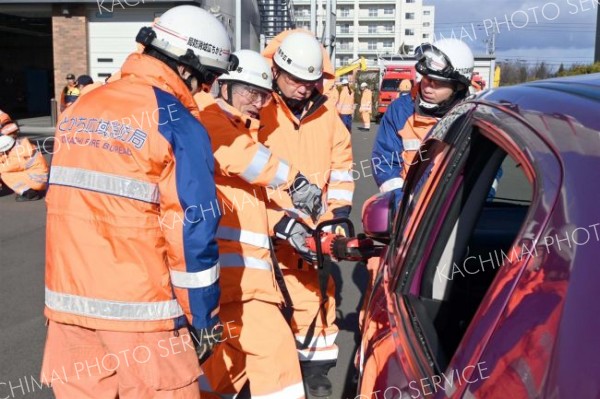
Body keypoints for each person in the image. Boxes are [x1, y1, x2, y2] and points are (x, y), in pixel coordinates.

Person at [41, 6, 239, 398]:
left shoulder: (82, 108)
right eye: (208, 78)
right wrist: (203, 318)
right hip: (143, 319)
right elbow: (191, 231)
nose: (205, 89)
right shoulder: (177, 122)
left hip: (67, 312)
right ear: (187, 68)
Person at [198, 49, 320, 399]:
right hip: (230, 276)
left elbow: (246, 200)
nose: (259, 102)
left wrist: (284, 223)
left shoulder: (238, 127)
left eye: (265, 96)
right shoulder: (211, 118)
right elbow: (244, 159)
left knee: (231, 359)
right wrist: (295, 181)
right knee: (275, 352)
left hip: (235, 278)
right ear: (224, 85)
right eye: (251, 92)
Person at [260, 31, 354, 397]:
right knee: (267, 298)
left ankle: (316, 366)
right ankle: (273, 368)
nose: (302, 89)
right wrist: (280, 222)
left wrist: (336, 215)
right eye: (295, 80)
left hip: (316, 228)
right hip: (270, 226)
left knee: (318, 293)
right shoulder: (259, 109)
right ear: (277, 71)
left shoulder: (328, 115)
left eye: (309, 82)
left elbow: (342, 169)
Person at [371, 38, 475, 195]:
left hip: (451, 213)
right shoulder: (400, 111)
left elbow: (483, 173)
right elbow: (384, 162)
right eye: (426, 78)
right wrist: (400, 203)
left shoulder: (473, 118)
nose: (427, 86)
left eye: (438, 82)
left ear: (458, 86)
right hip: (408, 210)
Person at [0, 109, 48, 201]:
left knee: (5, 173)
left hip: (38, 178)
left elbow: (11, 129)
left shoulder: (2, 116)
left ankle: (28, 192)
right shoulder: (24, 146)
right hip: (7, 145)